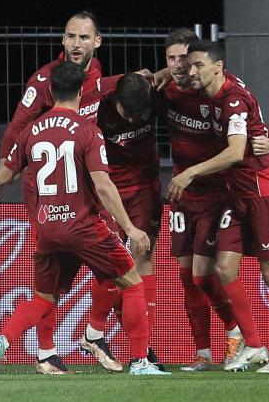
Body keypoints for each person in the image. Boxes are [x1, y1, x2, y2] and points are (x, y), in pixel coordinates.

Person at [0, 61, 170, 376]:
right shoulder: (87, 131)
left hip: (48, 230)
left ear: (51, 91)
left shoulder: (30, 132)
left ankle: (3, 338)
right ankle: (140, 362)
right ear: (82, 91)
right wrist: (130, 227)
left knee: (43, 299)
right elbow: (104, 186)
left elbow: (8, 173)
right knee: (132, 283)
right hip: (84, 227)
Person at [167, 40, 269, 374]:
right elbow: (257, 126)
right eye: (189, 65)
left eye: (197, 65)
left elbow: (237, 151)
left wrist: (190, 172)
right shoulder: (215, 93)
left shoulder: (232, 99)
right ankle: (253, 345)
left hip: (262, 191)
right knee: (223, 269)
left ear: (217, 67)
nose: (191, 71)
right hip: (235, 195)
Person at [84, 72, 165, 370]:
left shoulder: (152, 92)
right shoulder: (95, 106)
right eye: (126, 114)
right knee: (114, 263)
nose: (132, 121)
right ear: (115, 100)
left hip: (145, 186)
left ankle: (143, 348)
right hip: (109, 189)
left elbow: (166, 75)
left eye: (139, 116)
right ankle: (95, 330)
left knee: (143, 257)